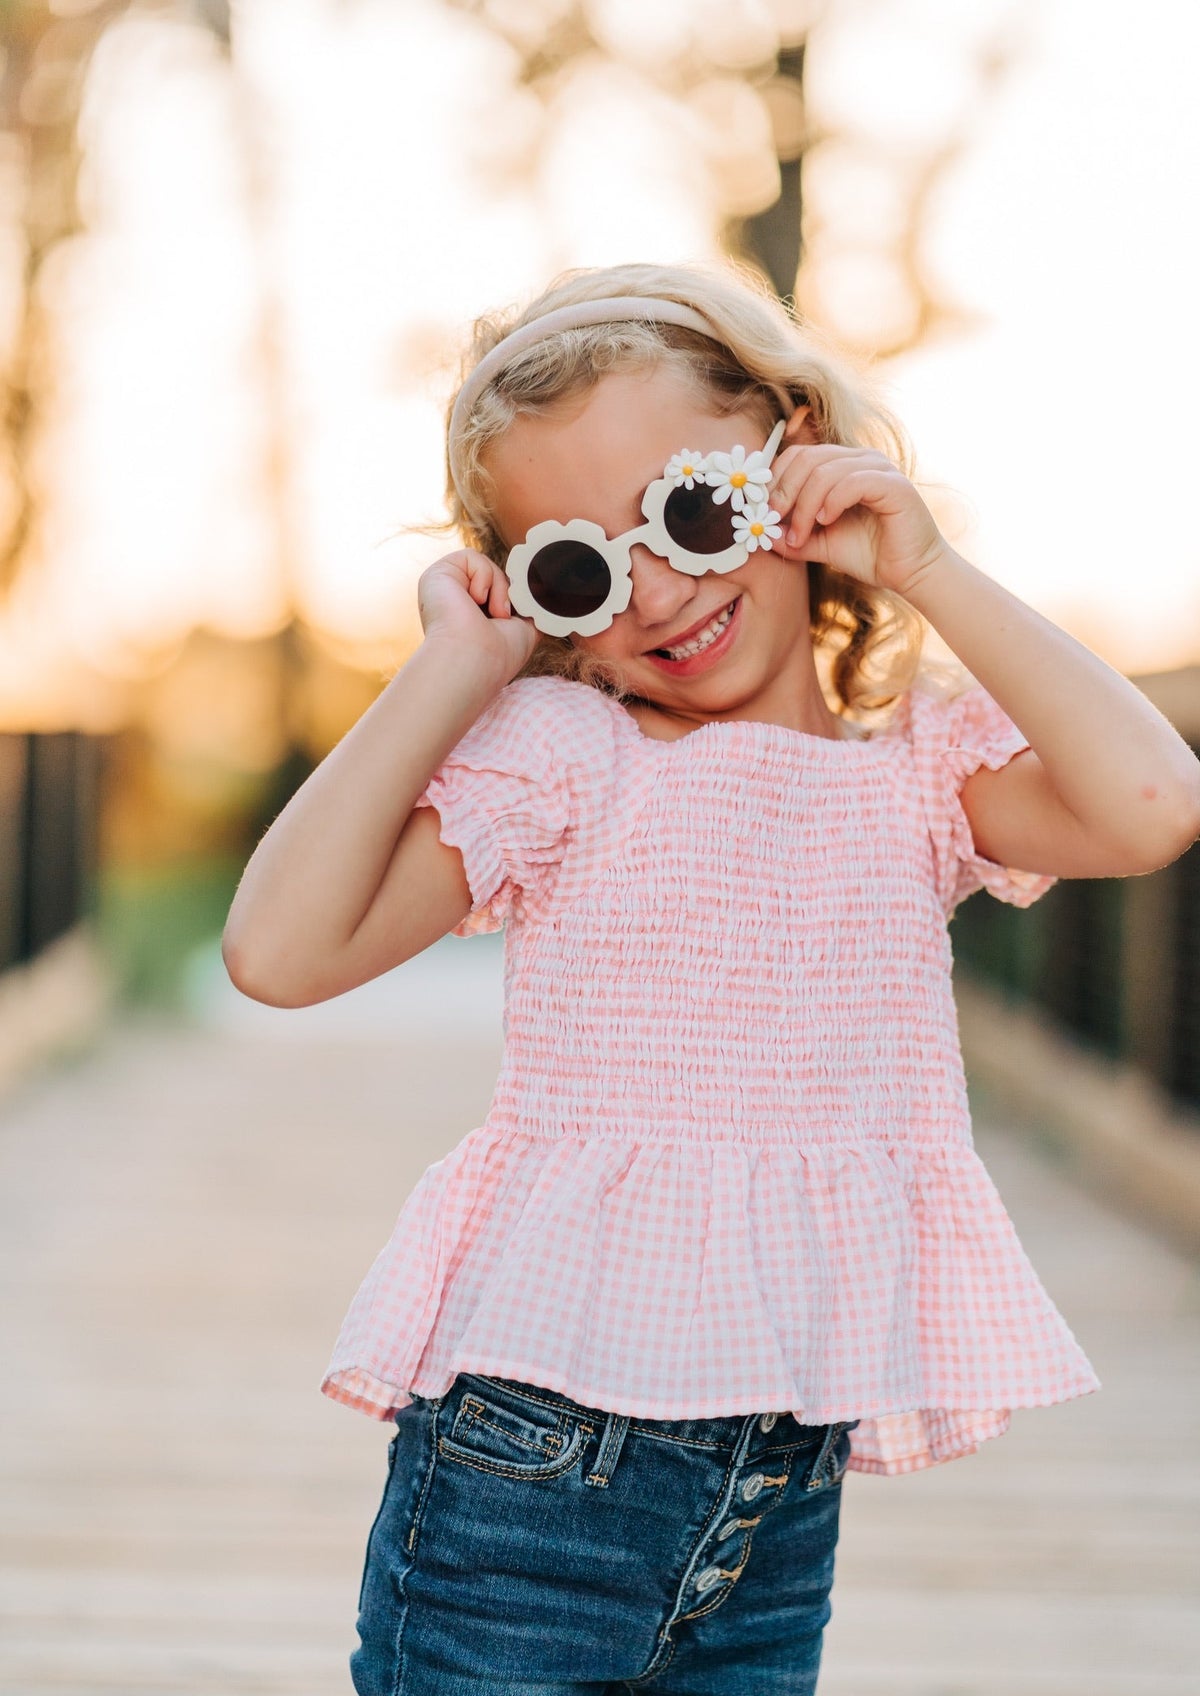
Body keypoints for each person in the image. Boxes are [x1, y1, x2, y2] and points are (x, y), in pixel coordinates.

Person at [221, 260, 1200, 1695]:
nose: (662, 591)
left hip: (778, 1495)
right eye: (579, 567)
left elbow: (1151, 803)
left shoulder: (923, 773)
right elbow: (277, 951)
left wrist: (920, 560)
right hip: (528, 1476)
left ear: (792, 451)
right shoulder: (567, 760)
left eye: (690, 510)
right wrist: (450, 670)